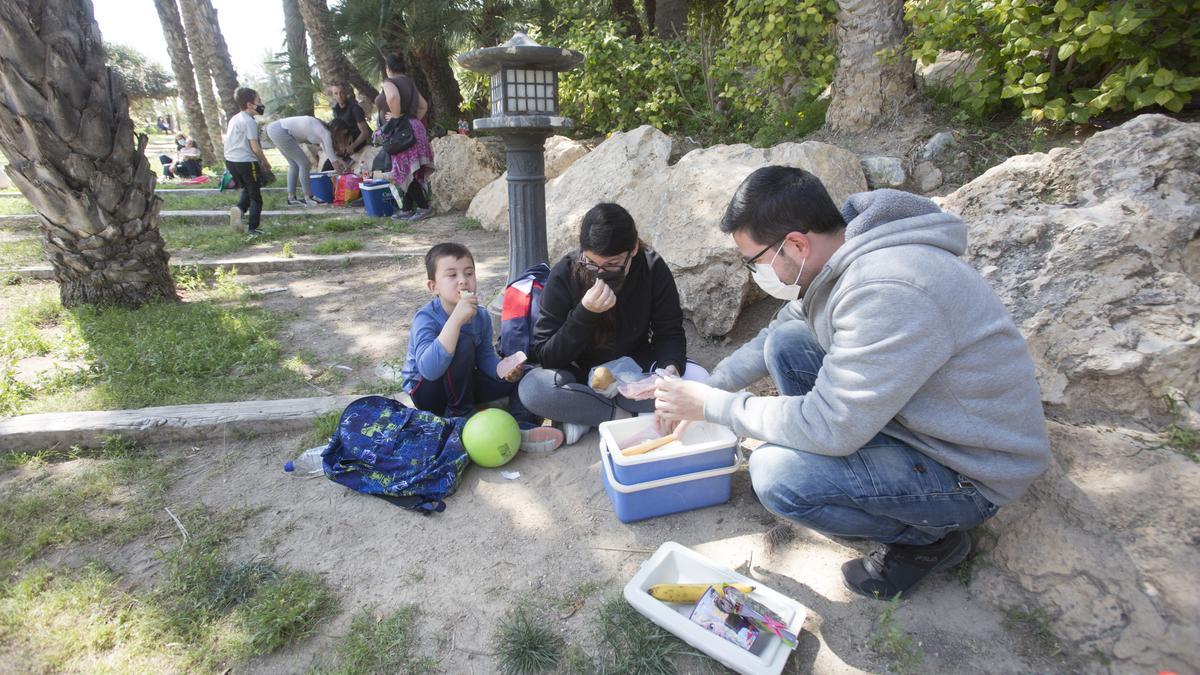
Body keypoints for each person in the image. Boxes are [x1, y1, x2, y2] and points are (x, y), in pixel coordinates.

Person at [653, 167, 1052, 599]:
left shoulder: (885, 287)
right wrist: (709, 387)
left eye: (754, 262)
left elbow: (831, 425)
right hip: (921, 422)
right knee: (788, 341)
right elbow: (775, 334)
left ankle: (929, 540)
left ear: (796, 244)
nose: (754, 273)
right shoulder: (841, 259)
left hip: (968, 468)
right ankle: (847, 476)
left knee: (776, 475)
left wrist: (714, 406)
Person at [518, 202, 706, 445]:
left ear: (634, 249)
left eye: (613, 264)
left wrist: (668, 371)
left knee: (699, 380)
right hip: (577, 375)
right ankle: (619, 416)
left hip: (632, 375)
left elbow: (669, 332)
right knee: (533, 389)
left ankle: (585, 415)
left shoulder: (652, 268)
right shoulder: (565, 273)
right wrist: (584, 314)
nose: (600, 273)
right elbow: (547, 355)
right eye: (592, 264)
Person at [401, 243, 564, 453]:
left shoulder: (481, 315)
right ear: (433, 287)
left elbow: (485, 356)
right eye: (452, 275)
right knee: (462, 342)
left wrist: (502, 370)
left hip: (464, 383)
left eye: (469, 273)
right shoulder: (426, 318)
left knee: (528, 374)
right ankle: (461, 419)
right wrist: (456, 321)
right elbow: (429, 370)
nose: (463, 280)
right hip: (428, 391)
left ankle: (522, 427)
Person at [374, 54, 434, 222]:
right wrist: (412, 119)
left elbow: (393, 97)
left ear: (388, 68)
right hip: (414, 128)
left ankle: (424, 207)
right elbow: (423, 106)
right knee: (407, 171)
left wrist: (396, 116)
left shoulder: (389, 82)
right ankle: (406, 209)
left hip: (401, 131)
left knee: (405, 171)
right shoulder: (410, 83)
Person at [265, 116, 349, 206]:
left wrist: (340, 161)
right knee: (304, 164)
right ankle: (309, 197)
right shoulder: (325, 133)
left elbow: (329, 153)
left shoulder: (322, 129)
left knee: (294, 164)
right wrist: (343, 176)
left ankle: (291, 198)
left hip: (274, 129)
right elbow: (332, 159)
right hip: (280, 131)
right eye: (342, 135)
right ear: (337, 130)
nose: (342, 138)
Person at [223, 87, 273, 236]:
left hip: (231, 161)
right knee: (256, 197)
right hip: (246, 162)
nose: (261, 104)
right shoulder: (249, 121)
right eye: (259, 101)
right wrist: (265, 162)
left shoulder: (235, 118)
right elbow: (255, 148)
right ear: (250, 104)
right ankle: (253, 228)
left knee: (248, 187)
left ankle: (239, 210)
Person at [329, 83, 372, 162]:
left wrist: (352, 146)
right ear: (333, 95)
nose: (339, 96)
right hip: (345, 146)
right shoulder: (335, 110)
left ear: (345, 92)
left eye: (341, 92)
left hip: (359, 144)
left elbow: (365, 133)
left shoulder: (355, 108)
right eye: (336, 93)